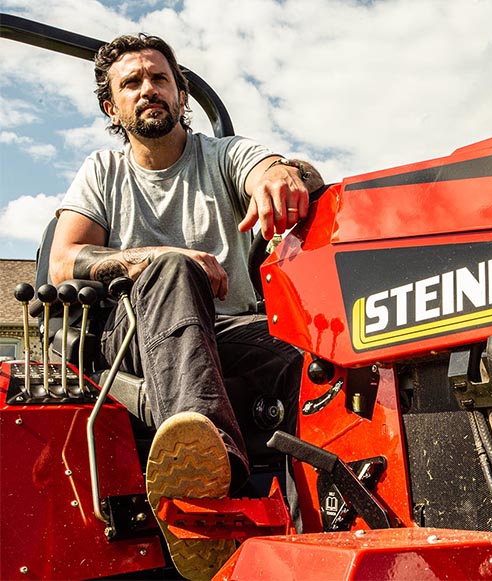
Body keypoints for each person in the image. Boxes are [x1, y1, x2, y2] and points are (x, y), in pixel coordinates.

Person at [49, 33, 323, 580]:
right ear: (112, 107)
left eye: (160, 78)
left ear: (180, 94)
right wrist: (161, 255)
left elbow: (263, 167)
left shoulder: (222, 155)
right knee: (172, 270)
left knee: (311, 364)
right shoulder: (103, 171)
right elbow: (64, 261)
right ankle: (209, 494)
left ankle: (316, 535)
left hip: (227, 333)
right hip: (131, 338)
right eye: (132, 83)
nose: (148, 89)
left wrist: (280, 175)